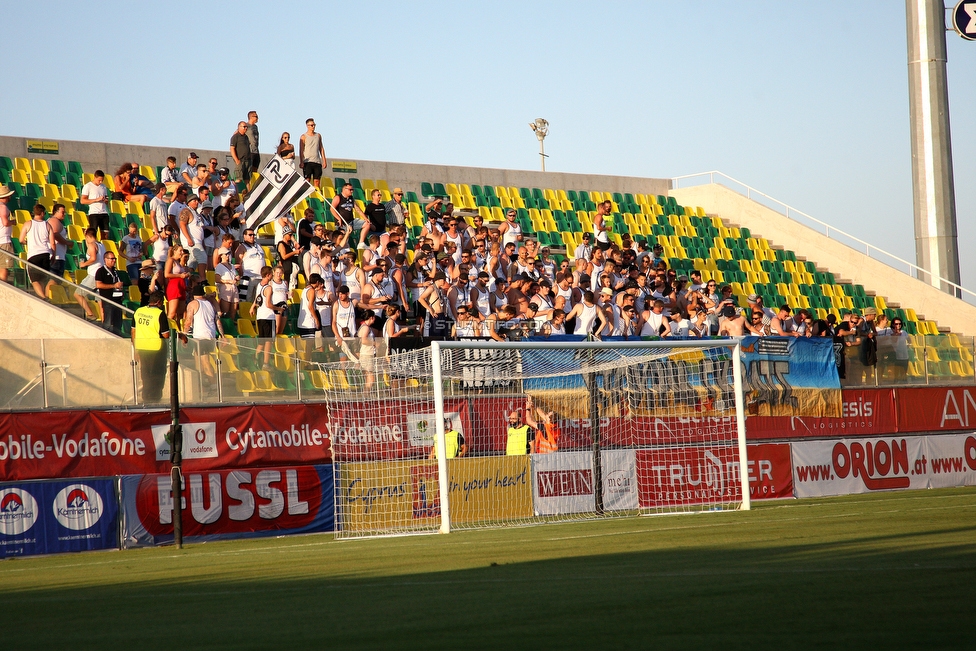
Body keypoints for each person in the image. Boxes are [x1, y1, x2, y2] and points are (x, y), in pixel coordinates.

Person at [132, 291, 176, 403]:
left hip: (142, 347)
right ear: (159, 302)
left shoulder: (139, 311)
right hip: (156, 349)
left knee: (145, 373)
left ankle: (146, 396)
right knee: (157, 374)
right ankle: (155, 398)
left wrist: (135, 348)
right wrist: (178, 335)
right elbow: (166, 334)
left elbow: (133, 331)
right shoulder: (159, 313)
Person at [184, 283, 222, 383]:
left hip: (201, 337)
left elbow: (188, 321)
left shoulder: (193, 304)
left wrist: (184, 335)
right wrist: (222, 335)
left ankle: (213, 385)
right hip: (211, 336)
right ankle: (202, 382)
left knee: (205, 362)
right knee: (198, 360)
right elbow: (217, 321)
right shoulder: (210, 304)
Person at [19, 204, 55, 299]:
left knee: (35, 280)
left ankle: (43, 297)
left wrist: (27, 242)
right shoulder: (47, 225)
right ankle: (44, 297)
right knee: (43, 279)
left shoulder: (28, 223)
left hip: (33, 255)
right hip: (45, 254)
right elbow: (52, 243)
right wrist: (54, 256)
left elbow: (21, 239)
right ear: (42, 213)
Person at [250, 266, 277, 368]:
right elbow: (268, 304)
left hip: (260, 316)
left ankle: (256, 358)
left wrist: (252, 307)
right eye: (272, 274)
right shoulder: (268, 287)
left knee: (261, 341)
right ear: (268, 275)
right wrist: (279, 309)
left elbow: (257, 298)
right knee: (268, 341)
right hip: (268, 316)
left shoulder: (259, 285)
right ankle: (266, 363)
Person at [76, 227, 105, 320]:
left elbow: (93, 258)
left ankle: (90, 314)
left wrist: (83, 264)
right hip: (102, 274)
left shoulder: (92, 245)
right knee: (100, 302)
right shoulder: (101, 245)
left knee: (78, 294)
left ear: (88, 236)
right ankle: (105, 323)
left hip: (94, 274)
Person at [94, 251, 124, 334]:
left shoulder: (115, 271)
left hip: (118, 300)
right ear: (105, 259)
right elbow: (98, 285)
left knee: (118, 323)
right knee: (108, 323)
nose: (114, 260)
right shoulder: (101, 271)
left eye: (115, 258)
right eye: (112, 259)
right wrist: (114, 286)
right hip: (108, 300)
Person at [178, 194, 208, 274]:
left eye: (197, 200)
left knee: (192, 263)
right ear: (189, 202)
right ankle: (202, 279)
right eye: (194, 201)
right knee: (203, 257)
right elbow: (182, 224)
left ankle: (189, 278)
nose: (197, 202)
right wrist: (188, 238)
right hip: (192, 241)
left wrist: (203, 242)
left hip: (198, 241)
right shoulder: (186, 211)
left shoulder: (196, 213)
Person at [80, 170, 110, 239]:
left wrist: (105, 200)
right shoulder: (88, 186)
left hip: (104, 212)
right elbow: (82, 200)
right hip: (94, 212)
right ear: (95, 177)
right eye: (99, 180)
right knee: (93, 233)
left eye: (102, 180)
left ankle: (103, 248)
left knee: (105, 234)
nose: (101, 182)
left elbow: (106, 199)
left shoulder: (103, 186)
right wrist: (96, 200)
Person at [299, 118, 327, 187]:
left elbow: (321, 148)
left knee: (317, 181)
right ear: (307, 126)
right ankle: (306, 195)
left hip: (317, 161)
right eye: (311, 125)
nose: (313, 127)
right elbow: (301, 150)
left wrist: (324, 160)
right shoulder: (303, 136)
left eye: (314, 125)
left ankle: (316, 195)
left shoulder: (318, 136)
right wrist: (301, 161)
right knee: (307, 179)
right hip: (307, 161)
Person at [214, 249, 239, 320]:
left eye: (228, 254)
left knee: (233, 312)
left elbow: (235, 275)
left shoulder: (232, 266)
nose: (228, 255)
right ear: (221, 256)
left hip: (234, 288)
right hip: (226, 288)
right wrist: (229, 281)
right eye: (226, 254)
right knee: (225, 312)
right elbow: (217, 279)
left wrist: (236, 278)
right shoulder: (219, 266)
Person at [230, 121, 252, 187]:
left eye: (246, 127)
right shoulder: (235, 137)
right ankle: (234, 190)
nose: (246, 128)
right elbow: (232, 148)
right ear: (239, 127)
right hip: (240, 160)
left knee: (247, 179)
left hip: (248, 160)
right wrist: (236, 160)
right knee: (238, 178)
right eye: (244, 127)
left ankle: (249, 193)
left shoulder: (246, 137)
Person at [0, 184, 14, 283]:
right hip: (4, 240)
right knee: (4, 267)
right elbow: (5, 223)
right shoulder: (3, 207)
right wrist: (13, 222)